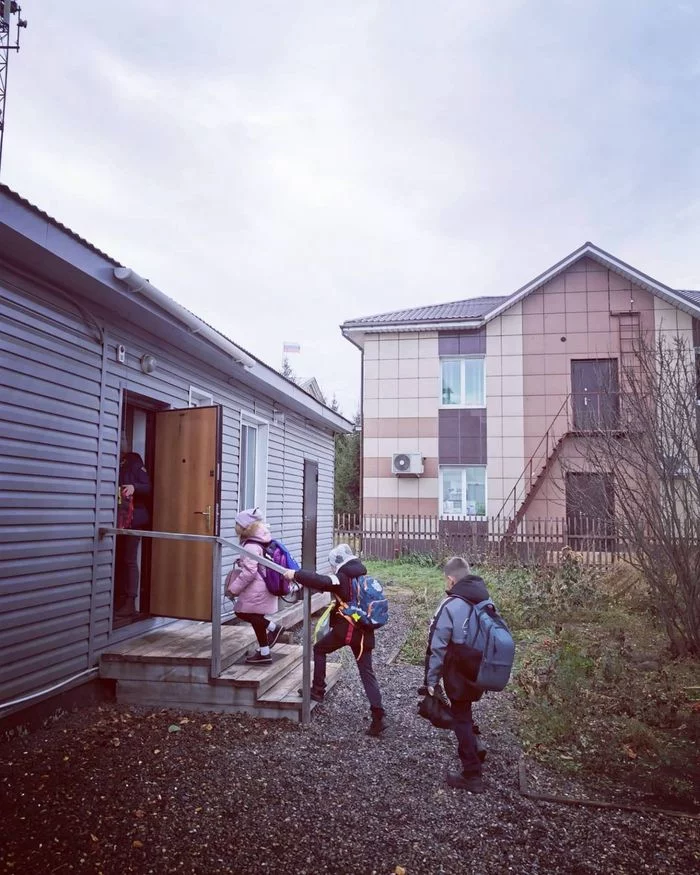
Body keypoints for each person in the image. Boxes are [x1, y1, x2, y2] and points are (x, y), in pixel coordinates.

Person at [283, 543, 388, 737]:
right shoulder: (360, 575)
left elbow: (320, 580)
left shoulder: (342, 577)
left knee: (320, 649)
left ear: (337, 562)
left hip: (348, 629)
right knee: (367, 672)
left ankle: (318, 689)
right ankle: (378, 715)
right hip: (365, 632)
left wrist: (295, 574)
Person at [424, 555, 490, 793]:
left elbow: (437, 645)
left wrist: (431, 680)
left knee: (460, 717)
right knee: (465, 712)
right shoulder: (484, 598)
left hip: (458, 669)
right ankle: (475, 746)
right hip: (480, 667)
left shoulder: (451, 605)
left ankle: (472, 774)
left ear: (451, 579)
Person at [228, 508, 286, 665]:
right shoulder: (260, 540)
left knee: (243, 613)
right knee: (256, 618)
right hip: (262, 584)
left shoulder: (251, 546)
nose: (236, 527)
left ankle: (274, 629)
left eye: (238, 524)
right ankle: (265, 651)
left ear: (245, 527)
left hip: (256, 587)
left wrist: (233, 589)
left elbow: (249, 572)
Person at [115, 451, 151, 617]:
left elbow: (148, 486)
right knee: (119, 559)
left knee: (129, 560)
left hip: (134, 519)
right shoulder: (117, 462)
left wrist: (134, 487)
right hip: (119, 519)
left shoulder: (134, 463)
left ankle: (130, 601)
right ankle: (120, 598)